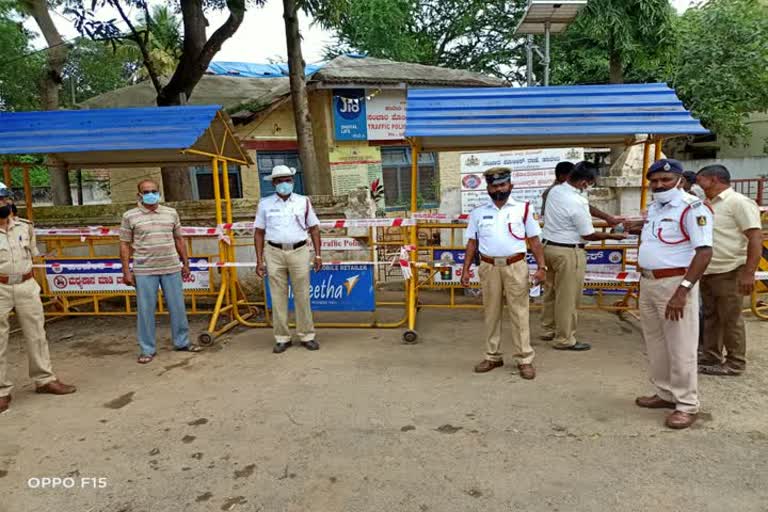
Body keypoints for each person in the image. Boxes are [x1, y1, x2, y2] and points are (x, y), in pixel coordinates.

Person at [630, 159, 713, 429]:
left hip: (675, 284)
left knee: (681, 347)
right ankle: (665, 393)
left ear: (679, 179)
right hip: (650, 283)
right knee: (656, 343)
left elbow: (704, 253)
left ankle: (687, 404)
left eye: (665, 180)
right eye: (654, 181)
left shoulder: (692, 208)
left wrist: (683, 292)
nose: (659, 185)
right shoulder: (654, 208)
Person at [461, 167, 546, 380]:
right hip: (488, 267)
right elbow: (472, 243)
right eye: (494, 185)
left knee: (519, 313)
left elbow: (534, 241)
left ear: (510, 186)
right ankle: (493, 356)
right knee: (491, 312)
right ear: (488, 188)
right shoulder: (478, 212)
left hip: (516, 266)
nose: (498, 189)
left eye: (502, 185)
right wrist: (465, 270)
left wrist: (542, 267)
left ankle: (524, 359)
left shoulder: (523, 209)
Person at [0, 185, 76, 414]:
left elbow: (34, 257)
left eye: (3, 199)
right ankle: (2, 391)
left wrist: (46, 289)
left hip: (26, 284)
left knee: (37, 334)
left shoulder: (25, 227)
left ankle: (44, 379)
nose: (1, 204)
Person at [540, 161, 627, 351]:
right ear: (584, 182)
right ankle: (564, 339)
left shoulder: (555, 190)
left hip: (549, 247)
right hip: (568, 252)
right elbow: (588, 234)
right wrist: (613, 236)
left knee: (552, 292)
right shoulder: (575, 200)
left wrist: (608, 218)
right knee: (568, 298)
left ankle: (549, 329)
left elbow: (587, 206)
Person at [119, 179, 201, 364]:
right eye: (146, 191)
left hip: (171, 267)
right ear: (138, 195)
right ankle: (147, 349)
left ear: (159, 192)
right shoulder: (129, 216)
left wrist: (186, 263)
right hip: (144, 269)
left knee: (178, 307)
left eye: (153, 191)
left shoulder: (171, 213)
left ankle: (182, 342)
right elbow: (124, 245)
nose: (150, 194)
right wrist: (126, 271)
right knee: (145, 310)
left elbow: (179, 239)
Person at [695, 164, 762, 376]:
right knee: (711, 316)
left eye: (701, 180)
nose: (698, 184)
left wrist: (749, 273)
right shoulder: (707, 204)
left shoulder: (739, 203)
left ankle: (735, 362)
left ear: (714, 179)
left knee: (730, 318)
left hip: (731, 270)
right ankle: (711, 357)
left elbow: (755, 238)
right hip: (708, 270)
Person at [254, 165, 323, 354]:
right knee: (277, 297)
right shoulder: (265, 204)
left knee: (302, 295)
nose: (284, 184)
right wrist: (259, 261)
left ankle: (307, 335)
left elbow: (314, 229)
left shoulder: (303, 202)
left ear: (292, 181)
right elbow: (259, 233)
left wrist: (318, 255)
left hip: (300, 250)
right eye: (280, 181)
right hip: (274, 252)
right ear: (274, 183)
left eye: (288, 180)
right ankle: (282, 338)